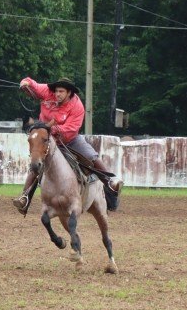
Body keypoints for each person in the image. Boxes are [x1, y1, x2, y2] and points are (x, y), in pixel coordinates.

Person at [12, 77, 123, 214]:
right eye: (57, 91)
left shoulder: (77, 106)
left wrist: (54, 129)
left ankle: (110, 183)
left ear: (69, 93)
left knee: (91, 156)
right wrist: (25, 83)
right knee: (36, 162)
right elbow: (34, 85)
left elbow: (71, 128)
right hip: (48, 138)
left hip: (70, 139)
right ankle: (25, 197)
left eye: (61, 91)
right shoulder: (48, 92)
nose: (57, 94)